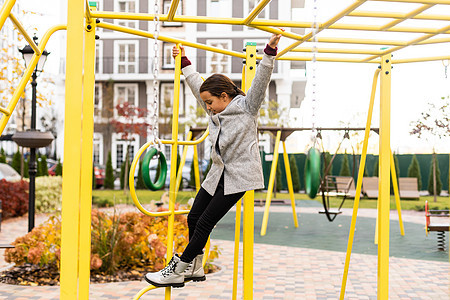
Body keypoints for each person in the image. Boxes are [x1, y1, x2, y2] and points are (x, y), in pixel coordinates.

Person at [145, 32, 282, 288]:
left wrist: (269, 51)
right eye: (206, 103)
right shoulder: (214, 110)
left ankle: (180, 267)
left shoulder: (246, 106)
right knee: (193, 218)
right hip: (217, 173)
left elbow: (262, 80)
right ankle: (195, 268)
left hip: (239, 176)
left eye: (210, 102)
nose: (207, 107)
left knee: (206, 222)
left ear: (224, 96)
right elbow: (198, 86)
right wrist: (184, 62)